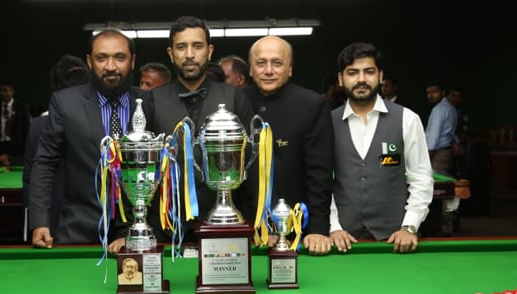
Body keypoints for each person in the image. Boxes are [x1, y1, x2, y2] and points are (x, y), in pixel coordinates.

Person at [29, 29, 153, 253]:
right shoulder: (65, 103)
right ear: (89, 61)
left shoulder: (150, 102)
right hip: (79, 229)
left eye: (120, 57)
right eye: (102, 58)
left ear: (133, 61)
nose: (111, 66)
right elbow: (45, 163)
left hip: (141, 229)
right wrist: (39, 220)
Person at [149, 15, 254, 242]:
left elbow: (250, 166)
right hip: (165, 230)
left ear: (209, 50)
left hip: (225, 225)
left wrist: (258, 224)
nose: (189, 54)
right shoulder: (152, 101)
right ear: (170, 53)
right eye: (181, 47)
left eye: (197, 46)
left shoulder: (235, 98)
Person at [329, 42, 433, 253]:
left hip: (395, 239)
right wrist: (334, 227)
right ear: (341, 79)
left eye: (369, 72)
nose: (361, 79)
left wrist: (409, 226)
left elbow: (421, 177)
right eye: (352, 73)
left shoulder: (408, 119)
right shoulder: (325, 123)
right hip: (343, 239)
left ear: (380, 76)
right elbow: (319, 182)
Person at [243, 35, 334, 255]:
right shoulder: (236, 102)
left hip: (297, 229)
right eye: (261, 63)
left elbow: (319, 174)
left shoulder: (312, 104)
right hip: (248, 233)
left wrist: (319, 229)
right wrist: (247, 228)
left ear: (290, 69)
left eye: (277, 63)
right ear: (251, 69)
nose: (268, 70)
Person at [23, 54, 89, 234]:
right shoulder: (102, 118)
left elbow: (30, 178)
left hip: (51, 220)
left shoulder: (38, 125)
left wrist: (36, 223)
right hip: (96, 221)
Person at [0, 81, 31, 167]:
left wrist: (27, 149)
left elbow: (26, 128)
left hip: (17, 147)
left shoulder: (21, 107)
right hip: (0, 146)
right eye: (0, 90)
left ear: (12, 92)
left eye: (5, 90)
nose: (2, 93)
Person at [425, 80, 459, 175]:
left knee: (437, 186)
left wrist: (428, 155)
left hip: (438, 153)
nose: (431, 95)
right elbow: (450, 133)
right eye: (428, 92)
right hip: (446, 151)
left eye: (434, 92)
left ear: (443, 93)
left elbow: (434, 136)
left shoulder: (439, 110)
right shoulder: (450, 107)